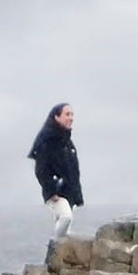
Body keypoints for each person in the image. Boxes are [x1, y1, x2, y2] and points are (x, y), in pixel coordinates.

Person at [27, 102, 83, 238]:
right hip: (56, 190)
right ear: (56, 117)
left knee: (65, 227)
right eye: (67, 114)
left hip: (69, 190)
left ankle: (59, 253)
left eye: (72, 114)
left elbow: (73, 170)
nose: (71, 118)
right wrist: (51, 190)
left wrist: (77, 194)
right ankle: (54, 248)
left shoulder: (66, 141)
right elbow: (41, 168)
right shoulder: (47, 139)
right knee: (65, 217)